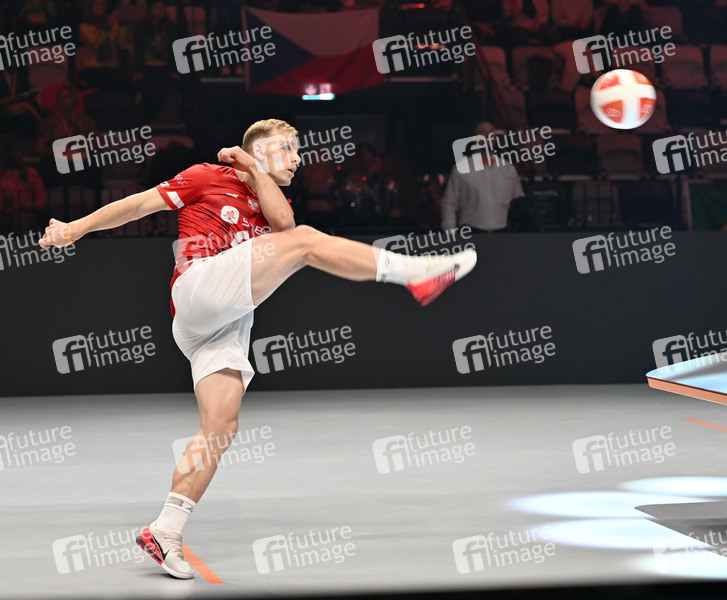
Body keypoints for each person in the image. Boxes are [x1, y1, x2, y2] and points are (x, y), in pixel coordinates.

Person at [38, 118, 477, 579]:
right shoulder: (206, 176)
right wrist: (74, 229)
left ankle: (164, 530)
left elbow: (284, 223)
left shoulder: (271, 200)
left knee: (221, 426)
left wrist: (252, 168)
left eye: (297, 151)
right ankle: (413, 274)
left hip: (225, 321)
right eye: (288, 148)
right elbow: (137, 205)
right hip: (198, 289)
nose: (298, 159)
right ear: (260, 150)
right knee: (305, 242)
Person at [441, 121, 524, 233]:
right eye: (482, 132)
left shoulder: (508, 169)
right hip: (471, 231)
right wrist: (450, 234)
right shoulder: (460, 168)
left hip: (502, 232)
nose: (487, 136)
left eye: (491, 133)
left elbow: (518, 201)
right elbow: (449, 204)